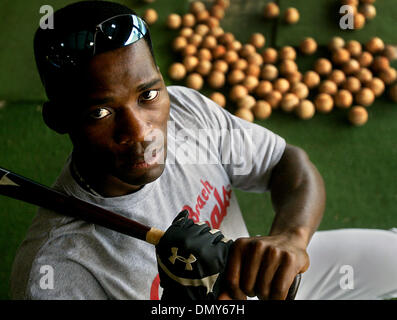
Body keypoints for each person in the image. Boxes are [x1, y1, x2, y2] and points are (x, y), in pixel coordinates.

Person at [10, 1, 397, 300]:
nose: (141, 131)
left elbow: (288, 163)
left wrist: (290, 238)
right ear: (59, 119)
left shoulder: (186, 113)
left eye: (148, 94)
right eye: (101, 111)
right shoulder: (57, 269)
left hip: (260, 286)